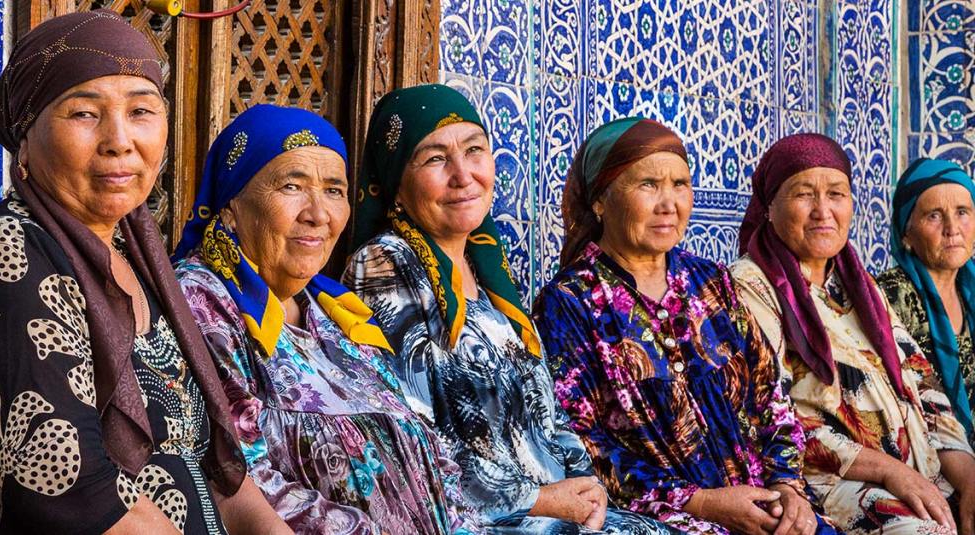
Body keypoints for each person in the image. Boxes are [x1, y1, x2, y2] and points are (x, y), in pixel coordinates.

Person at [0, 10, 289, 534]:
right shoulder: (3, 254)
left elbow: (218, 470)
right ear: (24, 136)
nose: (119, 140)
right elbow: (71, 492)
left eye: (142, 112)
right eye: (84, 114)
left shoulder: (141, 263)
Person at [342, 84, 673, 534]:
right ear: (398, 183)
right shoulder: (384, 265)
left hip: (551, 508)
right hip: (474, 518)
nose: (463, 175)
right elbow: (408, 437)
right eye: (436, 158)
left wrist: (585, 485)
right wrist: (538, 499)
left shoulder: (488, 270)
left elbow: (549, 415)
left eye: (475, 150)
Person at [172, 103, 481, 535]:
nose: (319, 213)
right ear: (231, 204)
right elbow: (236, 471)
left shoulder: (336, 313)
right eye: (292, 185)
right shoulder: (201, 299)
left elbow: (433, 454)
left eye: (334, 190)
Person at [532, 116, 838, 535]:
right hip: (667, 519)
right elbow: (582, 442)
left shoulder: (712, 283)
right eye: (648, 185)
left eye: (680, 184)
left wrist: (788, 486)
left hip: (768, 507)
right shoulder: (569, 303)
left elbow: (771, 397)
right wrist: (702, 503)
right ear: (600, 200)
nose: (668, 203)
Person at [731, 133, 975, 534]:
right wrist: (892, 471)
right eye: (804, 195)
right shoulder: (752, 287)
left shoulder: (857, 285)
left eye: (837, 194)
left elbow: (925, 388)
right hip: (827, 482)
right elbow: (769, 416)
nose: (822, 211)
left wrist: (968, 483)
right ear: (769, 207)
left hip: (917, 472)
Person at [877, 158, 975, 448]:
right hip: (926, 454)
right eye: (934, 215)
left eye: (962, 212)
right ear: (906, 233)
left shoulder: (969, 289)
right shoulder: (888, 296)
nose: (952, 229)